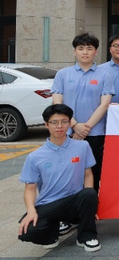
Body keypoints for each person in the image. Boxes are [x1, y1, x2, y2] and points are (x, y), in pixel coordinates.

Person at [18, 104, 100, 252]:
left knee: (89, 193)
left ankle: (86, 237)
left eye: (64, 121)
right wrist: (31, 211)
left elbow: (88, 175)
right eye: (54, 122)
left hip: (74, 201)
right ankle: (51, 234)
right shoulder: (35, 156)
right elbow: (30, 189)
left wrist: (90, 206)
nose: (59, 126)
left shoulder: (82, 146)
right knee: (28, 231)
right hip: (49, 204)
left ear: (69, 123)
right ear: (46, 125)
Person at [51, 33, 114, 195]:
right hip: (67, 132)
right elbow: (57, 103)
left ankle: (91, 206)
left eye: (89, 48)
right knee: (68, 172)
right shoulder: (63, 74)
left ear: (96, 51)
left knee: (94, 172)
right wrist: (74, 125)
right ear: (74, 51)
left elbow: (104, 104)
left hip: (96, 133)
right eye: (80, 48)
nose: (85, 52)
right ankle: (70, 206)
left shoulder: (105, 75)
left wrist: (85, 128)